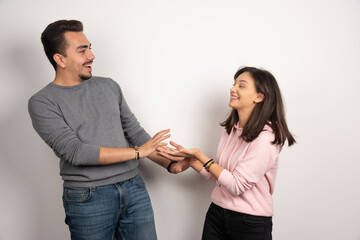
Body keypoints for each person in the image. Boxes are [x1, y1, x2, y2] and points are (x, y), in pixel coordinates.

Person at [28, 19, 187, 240]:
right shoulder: (42, 102)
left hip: (134, 188)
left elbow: (135, 133)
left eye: (90, 48)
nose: (91, 55)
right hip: (88, 197)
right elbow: (76, 152)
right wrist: (138, 152)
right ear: (60, 59)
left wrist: (171, 164)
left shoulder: (109, 86)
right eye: (82, 50)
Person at [159, 66, 296, 240]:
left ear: (259, 97)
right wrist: (193, 161)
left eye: (242, 85)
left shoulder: (266, 139)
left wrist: (201, 156)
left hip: (250, 223)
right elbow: (221, 176)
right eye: (234, 84)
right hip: (217, 214)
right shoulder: (232, 130)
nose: (233, 89)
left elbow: (237, 186)